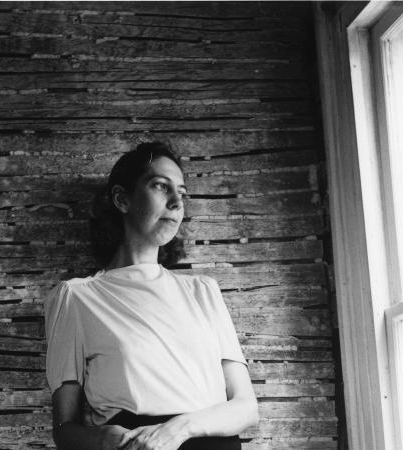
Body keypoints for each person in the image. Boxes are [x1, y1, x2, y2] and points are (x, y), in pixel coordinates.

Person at [44, 142, 259, 450]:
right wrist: (104, 439)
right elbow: (64, 429)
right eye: (160, 186)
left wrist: (178, 429)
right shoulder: (76, 297)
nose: (176, 203)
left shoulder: (203, 291)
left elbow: (246, 408)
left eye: (182, 193)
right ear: (122, 199)